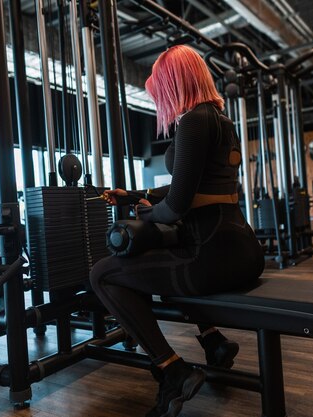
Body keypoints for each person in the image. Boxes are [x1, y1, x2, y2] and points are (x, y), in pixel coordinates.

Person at [89, 45, 265, 417]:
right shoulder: (220, 119)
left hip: (212, 258)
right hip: (244, 251)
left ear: (174, 84)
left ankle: (171, 370)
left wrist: (148, 214)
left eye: (162, 93)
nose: (162, 103)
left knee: (103, 274)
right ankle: (213, 342)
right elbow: (195, 186)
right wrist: (136, 196)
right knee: (162, 263)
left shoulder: (193, 121)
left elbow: (176, 207)